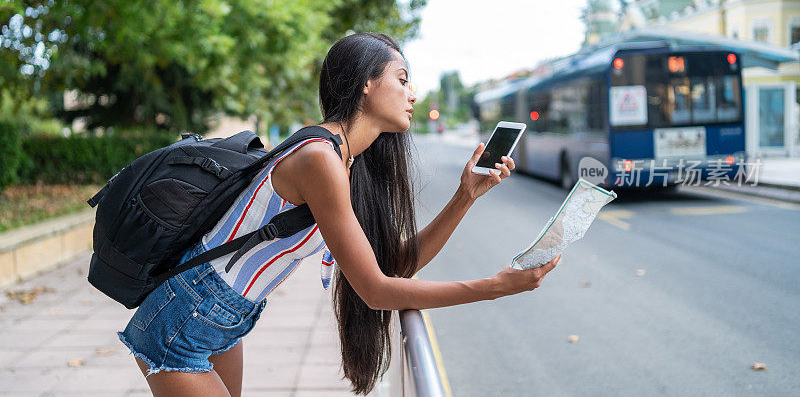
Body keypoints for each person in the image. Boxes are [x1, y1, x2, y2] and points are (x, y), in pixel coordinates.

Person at [117, 33, 560, 396]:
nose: (413, 94)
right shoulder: (320, 159)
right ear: (367, 83)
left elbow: (392, 265)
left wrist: (465, 196)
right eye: (402, 79)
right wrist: (495, 287)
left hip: (222, 315)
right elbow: (377, 291)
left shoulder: (346, 161)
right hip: (187, 312)